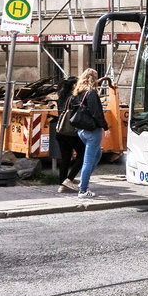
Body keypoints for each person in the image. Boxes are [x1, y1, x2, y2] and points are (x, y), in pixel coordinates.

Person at [68, 67, 109, 199]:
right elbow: (97, 113)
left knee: (98, 154)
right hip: (92, 131)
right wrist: (106, 127)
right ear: (93, 79)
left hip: (81, 130)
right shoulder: (91, 93)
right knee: (88, 160)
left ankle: (83, 181)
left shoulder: (77, 93)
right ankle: (83, 190)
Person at [54, 77, 85, 193]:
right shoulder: (73, 98)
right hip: (70, 132)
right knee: (83, 154)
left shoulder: (61, 98)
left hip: (60, 131)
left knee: (65, 158)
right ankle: (69, 179)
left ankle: (62, 184)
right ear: (73, 86)